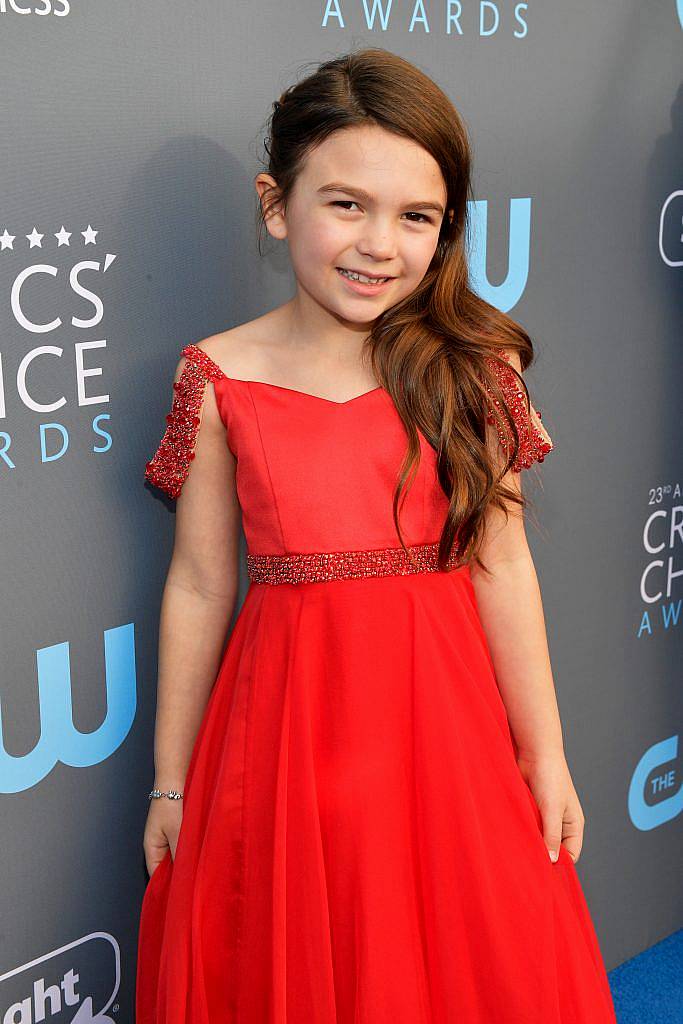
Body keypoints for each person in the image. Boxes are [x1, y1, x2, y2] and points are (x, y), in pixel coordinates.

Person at [135, 47, 617, 1024]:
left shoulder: (471, 373)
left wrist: (546, 751)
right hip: (283, 740)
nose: (377, 244)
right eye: (344, 203)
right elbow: (196, 584)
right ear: (276, 205)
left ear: (443, 232)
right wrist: (173, 781)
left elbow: (502, 565)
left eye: (415, 216)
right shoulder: (217, 377)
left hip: (445, 734)